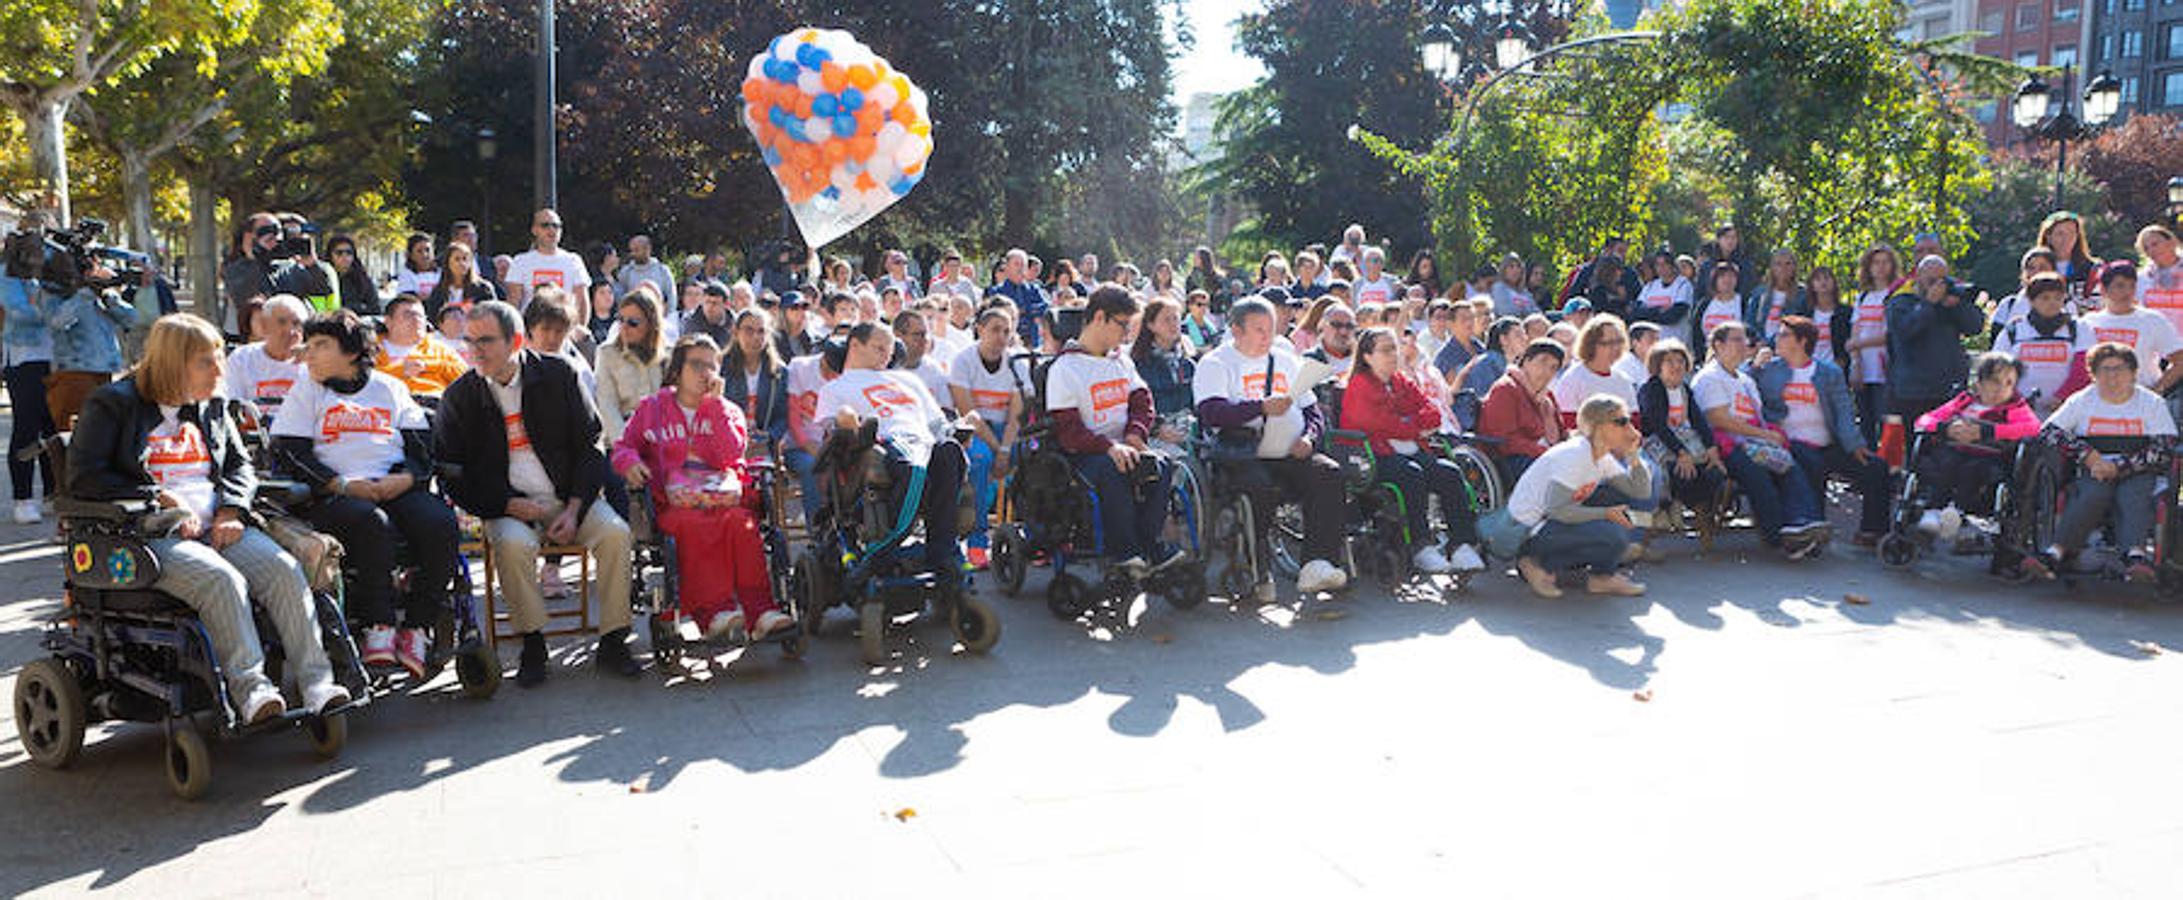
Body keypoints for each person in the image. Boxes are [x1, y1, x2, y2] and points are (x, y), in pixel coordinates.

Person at [69, 314, 349, 720]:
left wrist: (232, 510)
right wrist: (157, 499)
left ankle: (317, 683)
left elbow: (239, 466)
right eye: (206, 361)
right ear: (172, 362)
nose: (220, 370)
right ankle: (252, 690)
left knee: (285, 570)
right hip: (147, 535)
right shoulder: (113, 404)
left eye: (220, 357)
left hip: (217, 524)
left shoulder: (212, 404)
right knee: (222, 581)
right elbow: (85, 476)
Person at [437, 301, 638, 685]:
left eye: (486, 341)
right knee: (512, 547)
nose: (475, 350)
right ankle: (532, 641)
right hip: (508, 507)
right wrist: (505, 504)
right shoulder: (460, 396)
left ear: (514, 341)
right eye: (469, 341)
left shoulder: (558, 374)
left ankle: (614, 638)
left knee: (616, 534)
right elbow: (452, 474)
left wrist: (576, 508)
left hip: (568, 497)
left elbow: (591, 443)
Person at [269, 309, 455, 679]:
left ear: (352, 352)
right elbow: (290, 452)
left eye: (321, 345)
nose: (309, 353)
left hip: (392, 485)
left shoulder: (389, 388)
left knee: (439, 522)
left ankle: (417, 627)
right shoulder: (307, 391)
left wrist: (404, 480)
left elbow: (422, 449)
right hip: (331, 495)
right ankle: (378, 626)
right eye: (309, 344)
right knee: (372, 523)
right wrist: (339, 484)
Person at [613, 335, 793, 641]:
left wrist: (713, 407)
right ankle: (713, 612)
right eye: (697, 364)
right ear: (678, 368)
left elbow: (729, 455)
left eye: (712, 366)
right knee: (694, 525)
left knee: (743, 524)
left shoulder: (728, 411)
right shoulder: (652, 408)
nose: (705, 373)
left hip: (724, 500)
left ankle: (760, 610)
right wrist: (630, 463)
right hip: (673, 505)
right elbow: (623, 447)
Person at [1193, 297, 1351, 599]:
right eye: (1259, 330)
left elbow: (1312, 411)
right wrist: (1260, 407)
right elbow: (1212, 413)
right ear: (1237, 331)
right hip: (1242, 450)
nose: (1268, 336)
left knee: (1329, 473)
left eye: (1271, 329)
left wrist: (1310, 438)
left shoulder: (1285, 359)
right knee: (1258, 486)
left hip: (1289, 448)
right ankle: (1259, 562)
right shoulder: (1215, 363)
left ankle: (1317, 563)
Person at [1043, 287, 1181, 574]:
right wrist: (1108, 447)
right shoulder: (1065, 368)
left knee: (1161, 466)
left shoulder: (1121, 360)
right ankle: (1123, 551)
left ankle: (1148, 544)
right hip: (1084, 454)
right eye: (1122, 325)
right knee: (1112, 468)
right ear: (1099, 318)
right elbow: (1069, 432)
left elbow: (1142, 401)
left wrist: (1135, 433)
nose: (1127, 334)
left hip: (1123, 445)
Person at [817, 322, 970, 575]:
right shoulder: (834, 389)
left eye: (890, 349)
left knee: (951, 451)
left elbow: (937, 423)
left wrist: (958, 428)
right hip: (884, 442)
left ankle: (942, 552)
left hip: (924, 441)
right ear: (855, 346)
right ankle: (882, 550)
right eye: (880, 348)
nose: (888, 355)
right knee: (913, 466)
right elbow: (835, 429)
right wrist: (847, 421)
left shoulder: (909, 380)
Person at [2026, 342, 2178, 582]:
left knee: (2134, 494)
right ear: (2093, 374)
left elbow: (2165, 447)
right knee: (2093, 493)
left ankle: (2135, 555)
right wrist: (2088, 455)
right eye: (2105, 370)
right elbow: (2049, 432)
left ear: (2133, 372)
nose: (2112, 376)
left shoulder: (2151, 403)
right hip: (2093, 468)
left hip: (2138, 468)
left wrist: (2120, 466)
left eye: (2119, 369)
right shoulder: (2083, 399)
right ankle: (2056, 552)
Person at [1341, 326, 1487, 575]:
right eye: (1385, 350)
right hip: (1374, 457)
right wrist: (1412, 426)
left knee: (1450, 472)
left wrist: (1408, 424)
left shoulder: (1401, 381)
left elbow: (1431, 411)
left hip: (1410, 450)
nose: (1392, 355)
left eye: (1394, 349)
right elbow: (1376, 423)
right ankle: (1421, 545)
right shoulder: (1359, 385)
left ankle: (1461, 544)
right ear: (1367, 356)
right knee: (1411, 474)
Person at [1691, 320, 1829, 557]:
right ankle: (1779, 536)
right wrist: (1765, 435)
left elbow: (1758, 416)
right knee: (1758, 475)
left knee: (1790, 466)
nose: (1744, 344)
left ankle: (1804, 523)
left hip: (1752, 442)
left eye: (1745, 339)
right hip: (1724, 445)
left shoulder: (1745, 380)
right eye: (1736, 339)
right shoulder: (1709, 377)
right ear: (1718, 345)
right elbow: (1718, 420)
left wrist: (1771, 435)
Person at [1500, 395, 1654, 599]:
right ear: (1599, 427)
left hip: (1553, 521)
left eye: (1628, 420)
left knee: (1625, 509)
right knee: (1614, 534)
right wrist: (1605, 514)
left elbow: (1641, 492)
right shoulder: (1575, 455)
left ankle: (1599, 574)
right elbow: (1557, 509)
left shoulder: (1601, 456)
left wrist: (1633, 455)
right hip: (1529, 530)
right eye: (1621, 422)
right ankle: (1534, 562)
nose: (1629, 427)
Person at [1756, 315, 1890, 545]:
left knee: (1876, 467)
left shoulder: (1829, 373)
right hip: (1789, 444)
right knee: (1812, 464)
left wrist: (1854, 444)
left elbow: (1844, 411)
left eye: (1783, 335)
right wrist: (1754, 365)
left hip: (1828, 444)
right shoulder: (1768, 370)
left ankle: (1872, 532)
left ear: (1802, 341)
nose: (1775, 339)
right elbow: (1743, 389)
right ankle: (1812, 529)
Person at [1910, 352, 2039, 548]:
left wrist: (1990, 430)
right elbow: (1924, 420)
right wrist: (1945, 428)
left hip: (1991, 457)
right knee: (1945, 463)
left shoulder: (2014, 407)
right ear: (1979, 383)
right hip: (1955, 450)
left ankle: (1957, 514)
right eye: (1995, 381)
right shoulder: (1964, 401)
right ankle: (1934, 511)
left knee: (1972, 470)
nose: (2001, 388)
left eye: (2009, 383)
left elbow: (2033, 428)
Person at [948, 306, 1026, 568]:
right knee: (979, 459)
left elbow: (1017, 413)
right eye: (994, 330)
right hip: (976, 430)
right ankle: (977, 543)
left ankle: (1036, 536)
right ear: (979, 330)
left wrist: (1005, 450)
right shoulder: (963, 360)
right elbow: (968, 413)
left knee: (1033, 456)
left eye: (1006, 331)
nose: (1001, 337)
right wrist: (998, 451)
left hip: (1007, 430)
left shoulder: (1017, 362)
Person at [1636, 339, 1726, 535]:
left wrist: (1712, 448)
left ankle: (1688, 504)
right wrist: (1681, 453)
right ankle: (1668, 505)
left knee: (1712, 468)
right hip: (1658, 440)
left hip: (1685, 438)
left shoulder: (1684, 389)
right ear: (1657, 366)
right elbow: (1658, 426)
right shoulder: (1652, 389)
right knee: (1679, 469)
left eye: (1680, 361)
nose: (1676, 366)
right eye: (1669, 361)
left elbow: (1698, 420)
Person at [1885, 256, 1986, 424]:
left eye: (1941, 280)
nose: (1936, 285)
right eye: (1931, 280)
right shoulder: (1901, 302)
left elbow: (1975, 326)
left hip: (1949, 389)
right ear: (1918, 276)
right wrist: (1929, 304)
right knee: (1916, 444)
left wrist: (1958, 306)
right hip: (1914, 392)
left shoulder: (1950, 301)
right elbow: (1906, 331)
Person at [43, 267, 138, 431]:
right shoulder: (57, 291)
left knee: (97, 432)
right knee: (71, 434)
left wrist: (109, 297)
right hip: (74, 372)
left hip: (104, 372)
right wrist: (85, 293)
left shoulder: (104, 295)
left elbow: (131, 320)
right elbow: (58, 322)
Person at [2079, 262, 2183, 409]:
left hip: (2143, 405)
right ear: (2103, 289)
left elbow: (2180, 361)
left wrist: (2156, 391)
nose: (2127, 292)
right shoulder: (2088, 322)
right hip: (2099, 405)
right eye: (2120, 286)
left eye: (2132, 286)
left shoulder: (2153, 320)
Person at [2, 269, 58, 523]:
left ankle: (52, 493)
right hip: (23, 360)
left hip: (59, 359)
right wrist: (50, 308)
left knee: (54, 429)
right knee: (27, 428)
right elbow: (19, 312)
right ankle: (22, 499)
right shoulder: (7, 273)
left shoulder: (56, 270)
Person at [1992, 272, 2090, 417]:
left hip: (2067, 412)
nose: (2052, 303)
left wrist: (2062, 397)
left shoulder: (2078, 327)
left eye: (2058, 297)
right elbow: (1997, 369)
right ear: (2031, 300)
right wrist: (2016, 400)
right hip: (2021, 413)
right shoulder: (2014, 330)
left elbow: (2084, 368)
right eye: (2045, 298)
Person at [220, 211, 329, 338]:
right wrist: (253, 255)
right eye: (268, 236)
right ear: (248, 237)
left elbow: (321, 289)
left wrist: (312, 265)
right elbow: (248, 299)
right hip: (260, 341)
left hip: (294, 338)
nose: (275, 242)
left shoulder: (290, 267)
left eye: (277, 235)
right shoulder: (236, 270)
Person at [1478, 338, 1567, 482]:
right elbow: (1505, 440)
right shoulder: (1505, 389)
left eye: (1553, 367)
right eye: (1542, 362)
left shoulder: (1547, 397)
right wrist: (1546, 453)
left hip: (1545, 455)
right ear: (1526, 361)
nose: (1546, 371)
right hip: (1513, 459)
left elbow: (1562, 432)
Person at [1846, 244, 1903, 445]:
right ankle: (1869, 470)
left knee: (1888, 421)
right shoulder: (1863, 296)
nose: (1880, 267)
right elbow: (1856, 328)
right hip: (1864, 368)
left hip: (1885, 368)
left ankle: (1891, 469)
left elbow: (1891, 334)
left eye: (1885, 262)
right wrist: (1855, 362)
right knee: (1865, 422)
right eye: (1875, 262)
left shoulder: (1896, 295)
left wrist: (1858, 343)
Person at [594, 286, 667, 444]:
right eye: (621, 320)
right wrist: (627, 448)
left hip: (662, 439)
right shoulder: (607, 354)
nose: (624, 327)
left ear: (651, 323)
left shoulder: (668, 356)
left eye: (633, 322)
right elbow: (607, 406)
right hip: (622, 438)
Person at [223, 294, 309, 419]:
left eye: (296, 324)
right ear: (264, 326)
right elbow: (232, 406)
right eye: (282, 322)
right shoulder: (242, 358)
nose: (290, 331)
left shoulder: (313, 362)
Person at [722, 308, 790, 456]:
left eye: (761, 331)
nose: (755, 337)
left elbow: (783, 415)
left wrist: (769, 436)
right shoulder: (721, 367)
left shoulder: (779, 372)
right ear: (736, 332)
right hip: (727, 442)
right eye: (748, 330)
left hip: (763, 446)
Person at [1551, 315, 1638, 431]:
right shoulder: (1573, 378)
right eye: (1609, 343)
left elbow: (1634, 420)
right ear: (1591, 344)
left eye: (1619, 341)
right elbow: (1566, 422)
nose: (1616, 348)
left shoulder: (1623, 380)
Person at [373, 294, 468, 399]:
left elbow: (467, 379)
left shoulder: (440, 349)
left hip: (434, 403)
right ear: (388, 321)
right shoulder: (372, 348)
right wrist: (400, 370)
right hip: (386, 404)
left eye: (420, 316)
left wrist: (428, 365)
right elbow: (359, 380)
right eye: (408, 315)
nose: (416, 319)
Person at [502, 209, 591, 309]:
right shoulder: (520, 261)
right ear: (534, 230)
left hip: (565, 323)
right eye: (545, 225)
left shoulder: (574, 260)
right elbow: (513, 303)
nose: (551, 229)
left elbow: (582, 302)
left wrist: (580, 325)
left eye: (556, 226)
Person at [1131, 296, 1196, 416]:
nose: (1173, 324)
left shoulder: (1187, 363)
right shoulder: (1139, 364)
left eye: (1176, 318)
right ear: (1151, 325)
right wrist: (1157, 427)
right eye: (1166, 320)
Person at [1987, 248, 2060, 340]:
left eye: (2042, 267)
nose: (2036, 272)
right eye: (2031, 268)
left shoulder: (2066, 304)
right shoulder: (2007, 305)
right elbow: (1995, 343)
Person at [2033, 210, 2101, 306]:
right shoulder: (2036, 266)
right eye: (2060, 233)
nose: (2066, 239)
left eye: (2071, 233)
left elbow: (2099, 303)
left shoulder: (2093, 268)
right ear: (2048, 236)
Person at [989, 249, 1052, 352]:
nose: (1020, 268)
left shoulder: (1034, 289)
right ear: (1007, 267)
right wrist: (1031, 313)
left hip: (1032, 341)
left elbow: (1046, 307)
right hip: (1007, 342)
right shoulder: (997, 291)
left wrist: (1026, 310)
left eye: (1023, 265)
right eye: (1016, 264)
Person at [424, 240, 502, 322]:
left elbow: (491, 316)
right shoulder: (438, 292)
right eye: (457, 259)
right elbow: (433, 319)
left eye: (465, 259)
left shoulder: (483, 289)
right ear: (448, 263)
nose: (462, 263)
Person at [1742, 249, 1809, 344]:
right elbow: (1749, 323)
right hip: (1760, 346)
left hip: (1789, 347)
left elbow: (1804, 326)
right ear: (1772, 267)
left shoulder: (1803, 294)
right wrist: (1759, 342)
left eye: (1788, 264)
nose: (1783, 268)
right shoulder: (1760, 293)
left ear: (1794, 267)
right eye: (1778, 264)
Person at [892, 304, 951, 410]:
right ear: (898, 336)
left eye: (926, 334)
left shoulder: (934, 369)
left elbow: (946, 408)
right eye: (918, 334)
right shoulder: (884, 369)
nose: (925, 340)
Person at [1690, 262, 1746, 361]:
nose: (1727, 280)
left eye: (1731, 276)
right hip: (1708, 358)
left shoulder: (1743, 303)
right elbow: (1696, 334)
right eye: (1722, 276)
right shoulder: (1704, 304)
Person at [1631, 250, 1692, 327]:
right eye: (1658, 265)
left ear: (1672, 266)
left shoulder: (1683, 285)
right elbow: (1636, 312)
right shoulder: (1650, 286)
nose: (1661, 268)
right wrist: (1658, 310)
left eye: (1665, 264)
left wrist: (1648, 314)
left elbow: (1672, 317)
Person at [2140, 225, 2183, 333]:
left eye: (2155, 244)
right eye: (2146, 248)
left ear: (2171, 242)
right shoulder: (2142, 278)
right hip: (2155, 343)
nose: (2151, 250)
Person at [610, 234, 674, 303]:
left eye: (636, 250)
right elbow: (619, 297)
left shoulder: (662, 270)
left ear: (647, 249)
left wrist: (670, 313)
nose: (633, 254)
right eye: (631, 250)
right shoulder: (626, 272)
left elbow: (671, 296)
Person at [325, 235, 380, 316]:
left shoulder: (362, 280)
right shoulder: (323, 278)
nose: (344, 257)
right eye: (339, 253)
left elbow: (375, 309)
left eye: (349, 252)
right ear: (330, 255)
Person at [394, 233, 440, 300]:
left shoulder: (441, 273)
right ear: (411, 255)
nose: (425, 255)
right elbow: (406, 297)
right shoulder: (406, 275)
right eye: (419, 251)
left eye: (427, 250)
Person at [1490, 253, 1537, 318]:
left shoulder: (1524, 291)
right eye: (1511, 267)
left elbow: (1536, 311)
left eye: (1518, 266)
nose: (1516, 270)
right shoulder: (1499, 288)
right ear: (1504, 270)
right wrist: (1525, 310)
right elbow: (1504, 311)